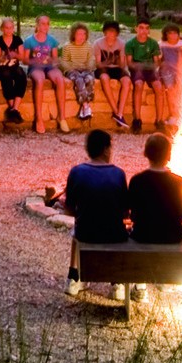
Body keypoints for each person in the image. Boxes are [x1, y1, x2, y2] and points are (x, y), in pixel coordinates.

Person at [62, 128, 130, 300]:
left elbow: (69, 209)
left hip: (86, 233)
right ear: (106, 149)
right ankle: (117, 283)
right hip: (114, 235)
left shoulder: (76, 172)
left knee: (76, 231)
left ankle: (73, 277)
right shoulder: (118, 173)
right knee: (123, 232)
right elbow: (125, 212)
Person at [25, 15, 63, 134]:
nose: (45, 26)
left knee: (60, 79)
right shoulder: (29, 40)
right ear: (37, 25)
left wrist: (50, 60)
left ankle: (62, 117)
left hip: (48, 66)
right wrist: (35, 60)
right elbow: (25, 60)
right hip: (35, 67)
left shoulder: (52, 40)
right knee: (40, 80)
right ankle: (39, 118)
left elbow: (55, 59)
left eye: (47, 23)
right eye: (42, 23)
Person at [125, 19, 166, 128]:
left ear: (149, 30)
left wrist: (155, 66)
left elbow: (156, 61)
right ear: (136, 29)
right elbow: (129, 62)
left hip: (149, 68)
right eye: (141, 28)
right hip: (137, 68)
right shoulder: (130, 44)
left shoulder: (153, 43)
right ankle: (137, 119)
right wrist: (139, 66)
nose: (144, 31)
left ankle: (159, 120)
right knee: (138, 84)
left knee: (158, 87)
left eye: (147, 28)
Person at [0, 17, 29, 128]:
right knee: (6, 76)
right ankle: (13, 109)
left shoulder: (17, 40)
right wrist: (4, 56)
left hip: (14, 65)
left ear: (13, 28)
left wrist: (14, 55)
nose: (8, 30)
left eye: (10, 28)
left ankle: (14, 108)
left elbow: (22, 57)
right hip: (2, 66)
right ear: (2, 28)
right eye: (6, 28)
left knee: (21, 75)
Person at [59, 24, 96, 132]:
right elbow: (64, 62)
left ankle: (84, 109)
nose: (81, 36)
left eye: (84, 34)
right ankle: (85, 106)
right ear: (73, 35)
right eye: (79, 34)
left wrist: (87, 67)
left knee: (89, 79)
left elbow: (91, 61)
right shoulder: (68, 46)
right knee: (79, 80)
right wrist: (74, 67)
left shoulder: (88, 46)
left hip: (85, 69)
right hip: (72, 70)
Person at [95, 22, 130, 130]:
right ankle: (117, 112)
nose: (110, 34)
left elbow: (123, 64)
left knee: (127, 81)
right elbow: (98, 64)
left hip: (116, 68)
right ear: (104, 32)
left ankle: (120, 113)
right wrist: (108, 62)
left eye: (113, 32)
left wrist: (119, 60)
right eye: (108, 31)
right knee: (105, 78)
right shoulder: (98, 43)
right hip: (103, 68)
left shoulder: (121, 44)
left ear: (117, 33)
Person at [158, 24, 182, 127]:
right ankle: (173, 115)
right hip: (167, 70)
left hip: (180, 69)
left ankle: (181, 114)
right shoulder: (161, 44)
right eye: (170, 33)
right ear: (166, 35)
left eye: (175, 33)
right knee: (170, 90)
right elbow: (159, 60)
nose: (173, 35)